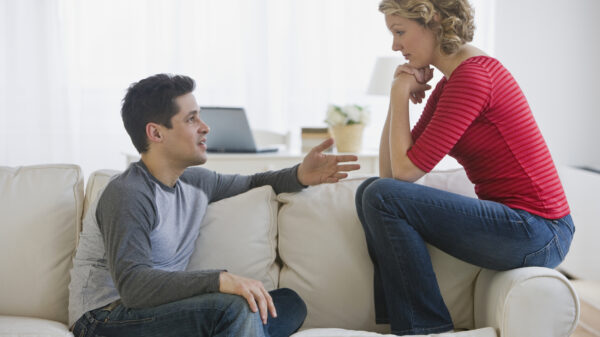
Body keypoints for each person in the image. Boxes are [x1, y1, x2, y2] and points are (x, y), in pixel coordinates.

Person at [68, 73, 360, 337]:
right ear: (156, 133)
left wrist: (300, 175)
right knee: (234, 309)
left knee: (286, 303)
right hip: (103, 319)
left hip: (164, 314)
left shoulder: (196, 182)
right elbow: (134, 287)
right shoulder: (128, 193)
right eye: (192, 119)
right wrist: (220, 280)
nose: (205, 128)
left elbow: (254, 182)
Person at [355, 0, 575, 335]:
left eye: (400, 32)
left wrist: (401, 93)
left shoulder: (474, 77)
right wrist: (395, 93)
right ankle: (415, 324)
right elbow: (390, 176)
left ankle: (426, 328)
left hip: (540, 230)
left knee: (379, 195)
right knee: (369, 191)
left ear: (435, 22)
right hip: (519, 224)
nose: (394, 45)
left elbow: (401, 175)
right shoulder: (449, 85)